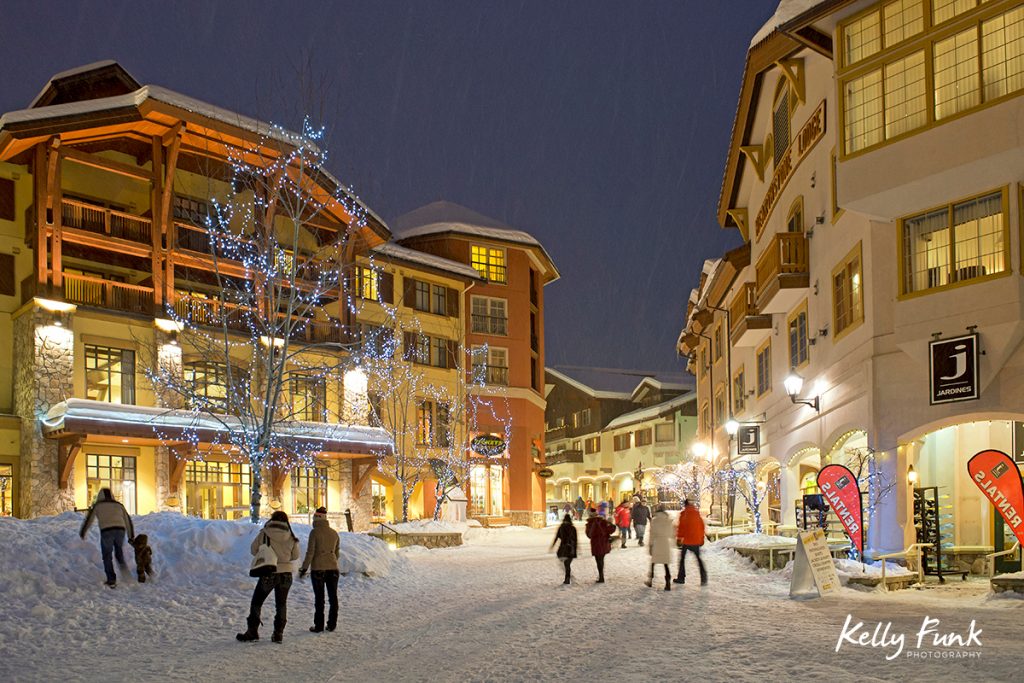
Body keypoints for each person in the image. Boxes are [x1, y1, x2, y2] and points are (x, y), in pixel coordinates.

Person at [237, 511, 300, 643]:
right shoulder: (291, 535)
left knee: (257, 602)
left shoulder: (265, 533)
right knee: (281, 604)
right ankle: (278, 634)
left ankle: (252, 631)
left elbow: (253, 550)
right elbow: (295, 556)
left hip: (269, 572)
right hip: (285, 574)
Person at [79, 488, 134, 588]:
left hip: (106, 531)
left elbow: (89, 520)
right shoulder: (119, 505)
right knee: (119, 553)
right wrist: (131, 536)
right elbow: (128, 520)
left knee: (107, 555)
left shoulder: (98, 505)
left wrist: (83, 531)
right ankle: (127, 576)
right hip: (120, 530)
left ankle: (111, 579)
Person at [299, 507, 341, 633]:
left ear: (316, 519)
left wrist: (304, 567)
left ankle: (319, 625)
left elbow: (310, 552)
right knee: (333, 597)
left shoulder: (314, 533)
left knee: (319, 598)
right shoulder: (334, 533)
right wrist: (331, 560)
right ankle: (332, 624)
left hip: (318, 569)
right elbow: (337, 553)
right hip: (333, 568)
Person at [675, 499, 708, 585]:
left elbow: (681, 527)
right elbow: (702, 526)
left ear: (685, 505)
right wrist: (701, 538)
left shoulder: (684, 514)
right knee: (698, 559)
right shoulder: (697, 514)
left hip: (687, 541)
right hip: (696, 540)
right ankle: (704, 578)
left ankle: (681, 577)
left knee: (682, 559)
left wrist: (679, 538)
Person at [645, 504, 675, 591]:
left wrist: (650, 545)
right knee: (666, 564)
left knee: (653, 563)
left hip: (657, 542)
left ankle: (650, 580)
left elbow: (652, 534)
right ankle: (668, 583)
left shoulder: (654, 520)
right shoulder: (668, 520)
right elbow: (671, 534)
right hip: (665, 543)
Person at [584, 509, 616, 583]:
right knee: (601, 559)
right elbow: (611, 530)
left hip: (595, 544)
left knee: (598, 561)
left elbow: (589, 535)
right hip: (604, 543)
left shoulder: (589, 524)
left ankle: (601, 577)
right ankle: (601, 576)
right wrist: (611, 524)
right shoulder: (603, 521)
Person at [550, 514, 578, 585]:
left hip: (563, 548)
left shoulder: (561, 527)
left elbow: (556, 537)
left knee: (566, 564)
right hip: (571, 548)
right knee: (567, 564)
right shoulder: (573, 528)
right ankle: (568, 577)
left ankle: (567, 578)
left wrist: (552, 546)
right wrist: (576, 549)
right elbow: (576, 540)